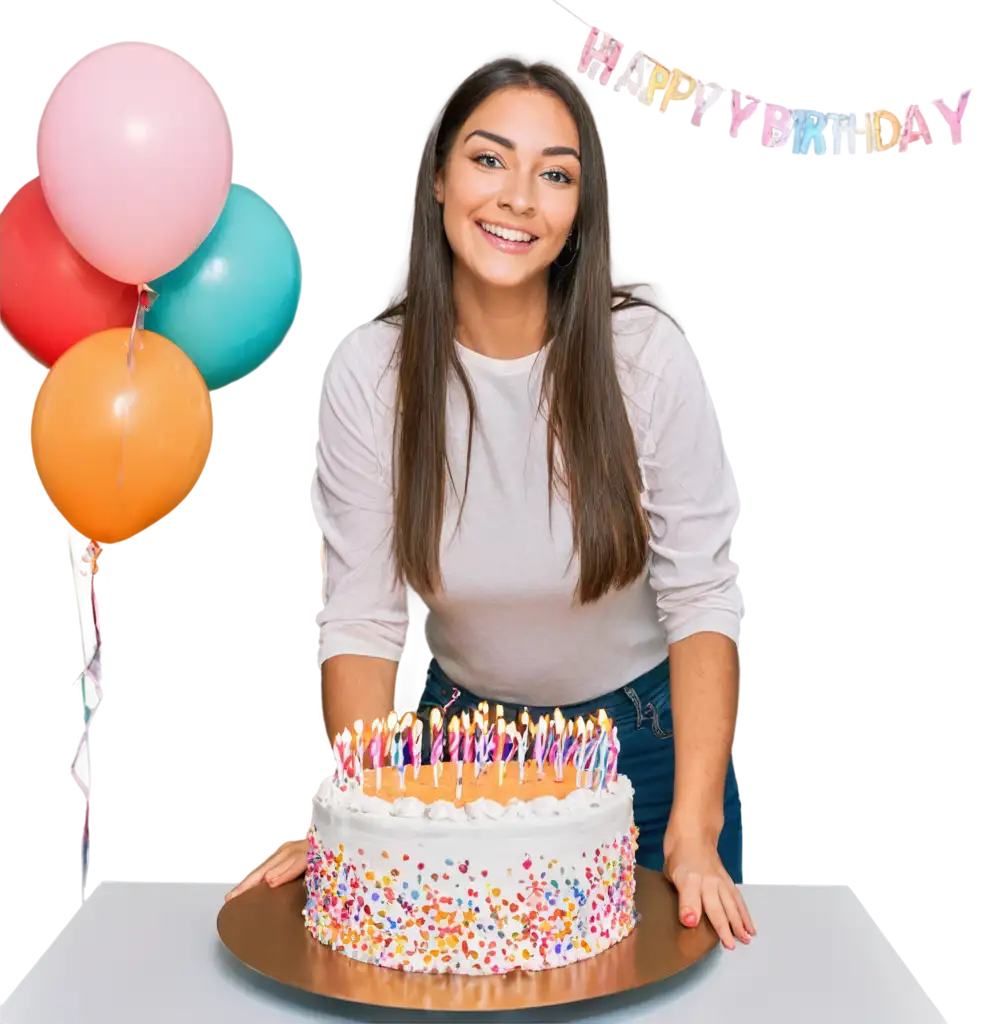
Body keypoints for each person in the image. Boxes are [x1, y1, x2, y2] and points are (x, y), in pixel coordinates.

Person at [227, 48, 755, 951]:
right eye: (488, 158)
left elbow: (703, 596)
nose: (518, 196)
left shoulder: (644, 357)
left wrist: (695, 828)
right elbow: (360, 617)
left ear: (578, 209)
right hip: (460, 758)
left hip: (649, 752)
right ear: (438, 179)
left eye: (555, 174)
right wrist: (367, 820)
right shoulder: (370, 370)